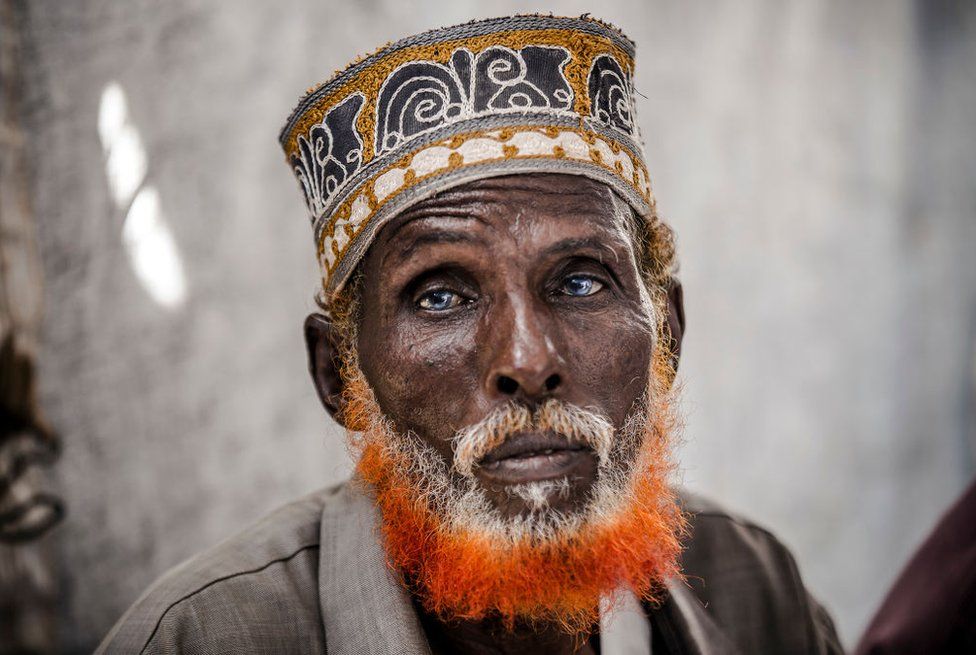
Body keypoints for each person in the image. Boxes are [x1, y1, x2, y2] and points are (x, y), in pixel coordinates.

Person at [98, 15, 843, 654]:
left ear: (668, 334)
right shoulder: (197, 636)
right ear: (338, 376)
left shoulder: (758, 590)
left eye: (582, 281)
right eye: (442, 296)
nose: (527, 361)